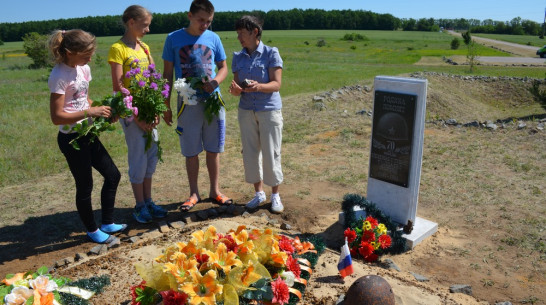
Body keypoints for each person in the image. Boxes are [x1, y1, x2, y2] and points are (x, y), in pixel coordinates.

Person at [48, 29, 127, 244]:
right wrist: (89, 112)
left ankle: (108, 223)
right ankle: (92, 231)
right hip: (72, 140)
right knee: (85, 186)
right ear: (71, 52)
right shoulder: (59, 75)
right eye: (86, 54)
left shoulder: (83, 68)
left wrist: (103, 111)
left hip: (88, 134)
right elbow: (57, 117)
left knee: (113, 175)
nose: (90, 58)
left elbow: (84, 99)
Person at [162, 0, 231, 212]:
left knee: (213, 149)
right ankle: (193, 193)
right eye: (201, 20)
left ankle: (215, 191)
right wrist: (166, 105)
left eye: (209, 21)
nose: (205, 25)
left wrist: (215, 82)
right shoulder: (173, 39)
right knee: (191, 151)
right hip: (187, 102)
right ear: (189, 15)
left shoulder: (214, 38)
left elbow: (223, 67)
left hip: (212, 101)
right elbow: (167, 74)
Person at [108, 5, 167, 223]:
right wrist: (137, 116)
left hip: (149, 112)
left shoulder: (144, 47)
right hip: (131, 112)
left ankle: (149, 201)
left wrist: (157, 109)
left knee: (151, 156)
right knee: (138, 158)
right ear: (131, 22)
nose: (148, 29)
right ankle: (139, 205)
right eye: (144, 25)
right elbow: (118, 86)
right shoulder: (117, 48)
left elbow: (154, 79)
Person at [229, 16, 285, 213]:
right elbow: (237, 86)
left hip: (269, 110)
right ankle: (259, 193)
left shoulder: (271, 53)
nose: (239, 38)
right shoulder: (238, 56)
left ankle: (275, 195)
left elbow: (277, 84)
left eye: (242, 33)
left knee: (272, 153)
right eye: (237, 34)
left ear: (254, 32)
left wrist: (259, 86)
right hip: (246, 111)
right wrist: (236, 90)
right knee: (250, 153)